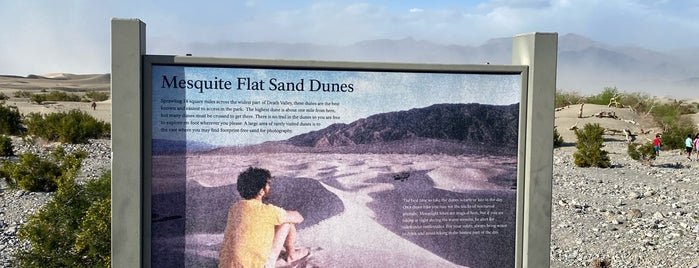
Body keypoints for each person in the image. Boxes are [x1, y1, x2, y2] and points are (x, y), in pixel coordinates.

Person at [218, 167, 310, 268]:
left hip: (225, 265)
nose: (269, 188)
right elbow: (299, 218)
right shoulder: (267, 211)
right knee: (287, 223)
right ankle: (292, 255)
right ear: (261, 191)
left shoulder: (234, 208)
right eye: (268, 185)